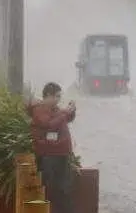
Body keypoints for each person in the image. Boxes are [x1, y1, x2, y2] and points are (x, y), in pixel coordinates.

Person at [27, 82, 76, 213]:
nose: (58, 100)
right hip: (48, 154)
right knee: (51, 189)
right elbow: (49, 124)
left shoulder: (55, 109)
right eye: (56, 96)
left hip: (61, 153)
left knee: (63, 188)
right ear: (48, 95)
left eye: (59, 97)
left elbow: (63, 118)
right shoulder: (39, 109)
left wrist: (71, 112)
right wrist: (65, 114)